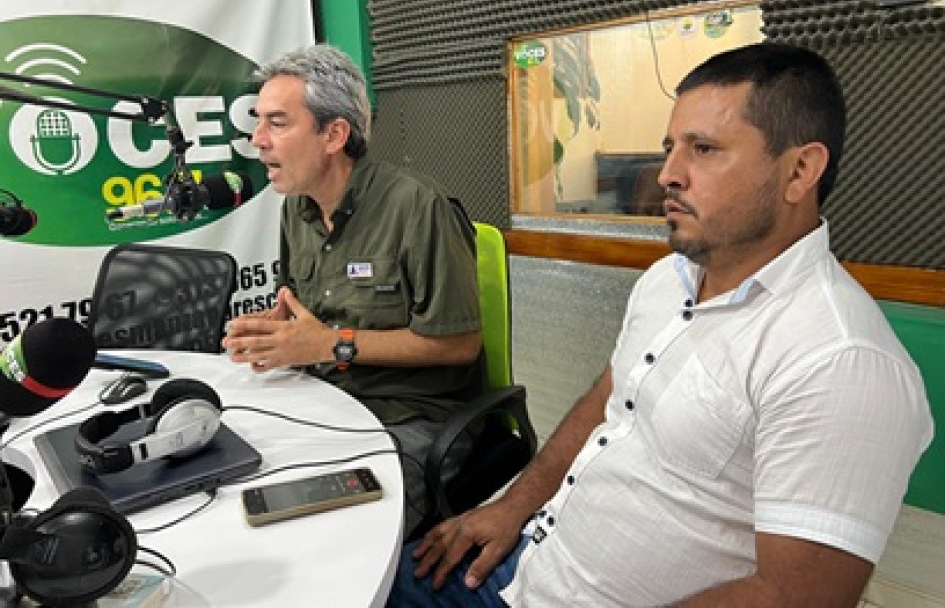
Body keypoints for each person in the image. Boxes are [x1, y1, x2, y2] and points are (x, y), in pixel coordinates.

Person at [386, 43, 934, 607]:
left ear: (800, 170)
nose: (667, 174)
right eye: (671, 148)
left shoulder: (840, 360)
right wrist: (511, 507)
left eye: (704, 149)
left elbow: (794, 597)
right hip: (526, 563)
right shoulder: (667, 279)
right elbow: (606, 400)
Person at [222, 43, 484, 538]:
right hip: (330, 399)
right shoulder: (296, 210)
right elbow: (304, 311)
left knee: (333, 535)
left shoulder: (417, 206)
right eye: (258, 122)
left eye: (277, 123)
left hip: (412, 418)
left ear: (334, 134)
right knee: (238, 486)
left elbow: (459, 343)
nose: (257, 140)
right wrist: (277, 332)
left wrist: (329, 344)